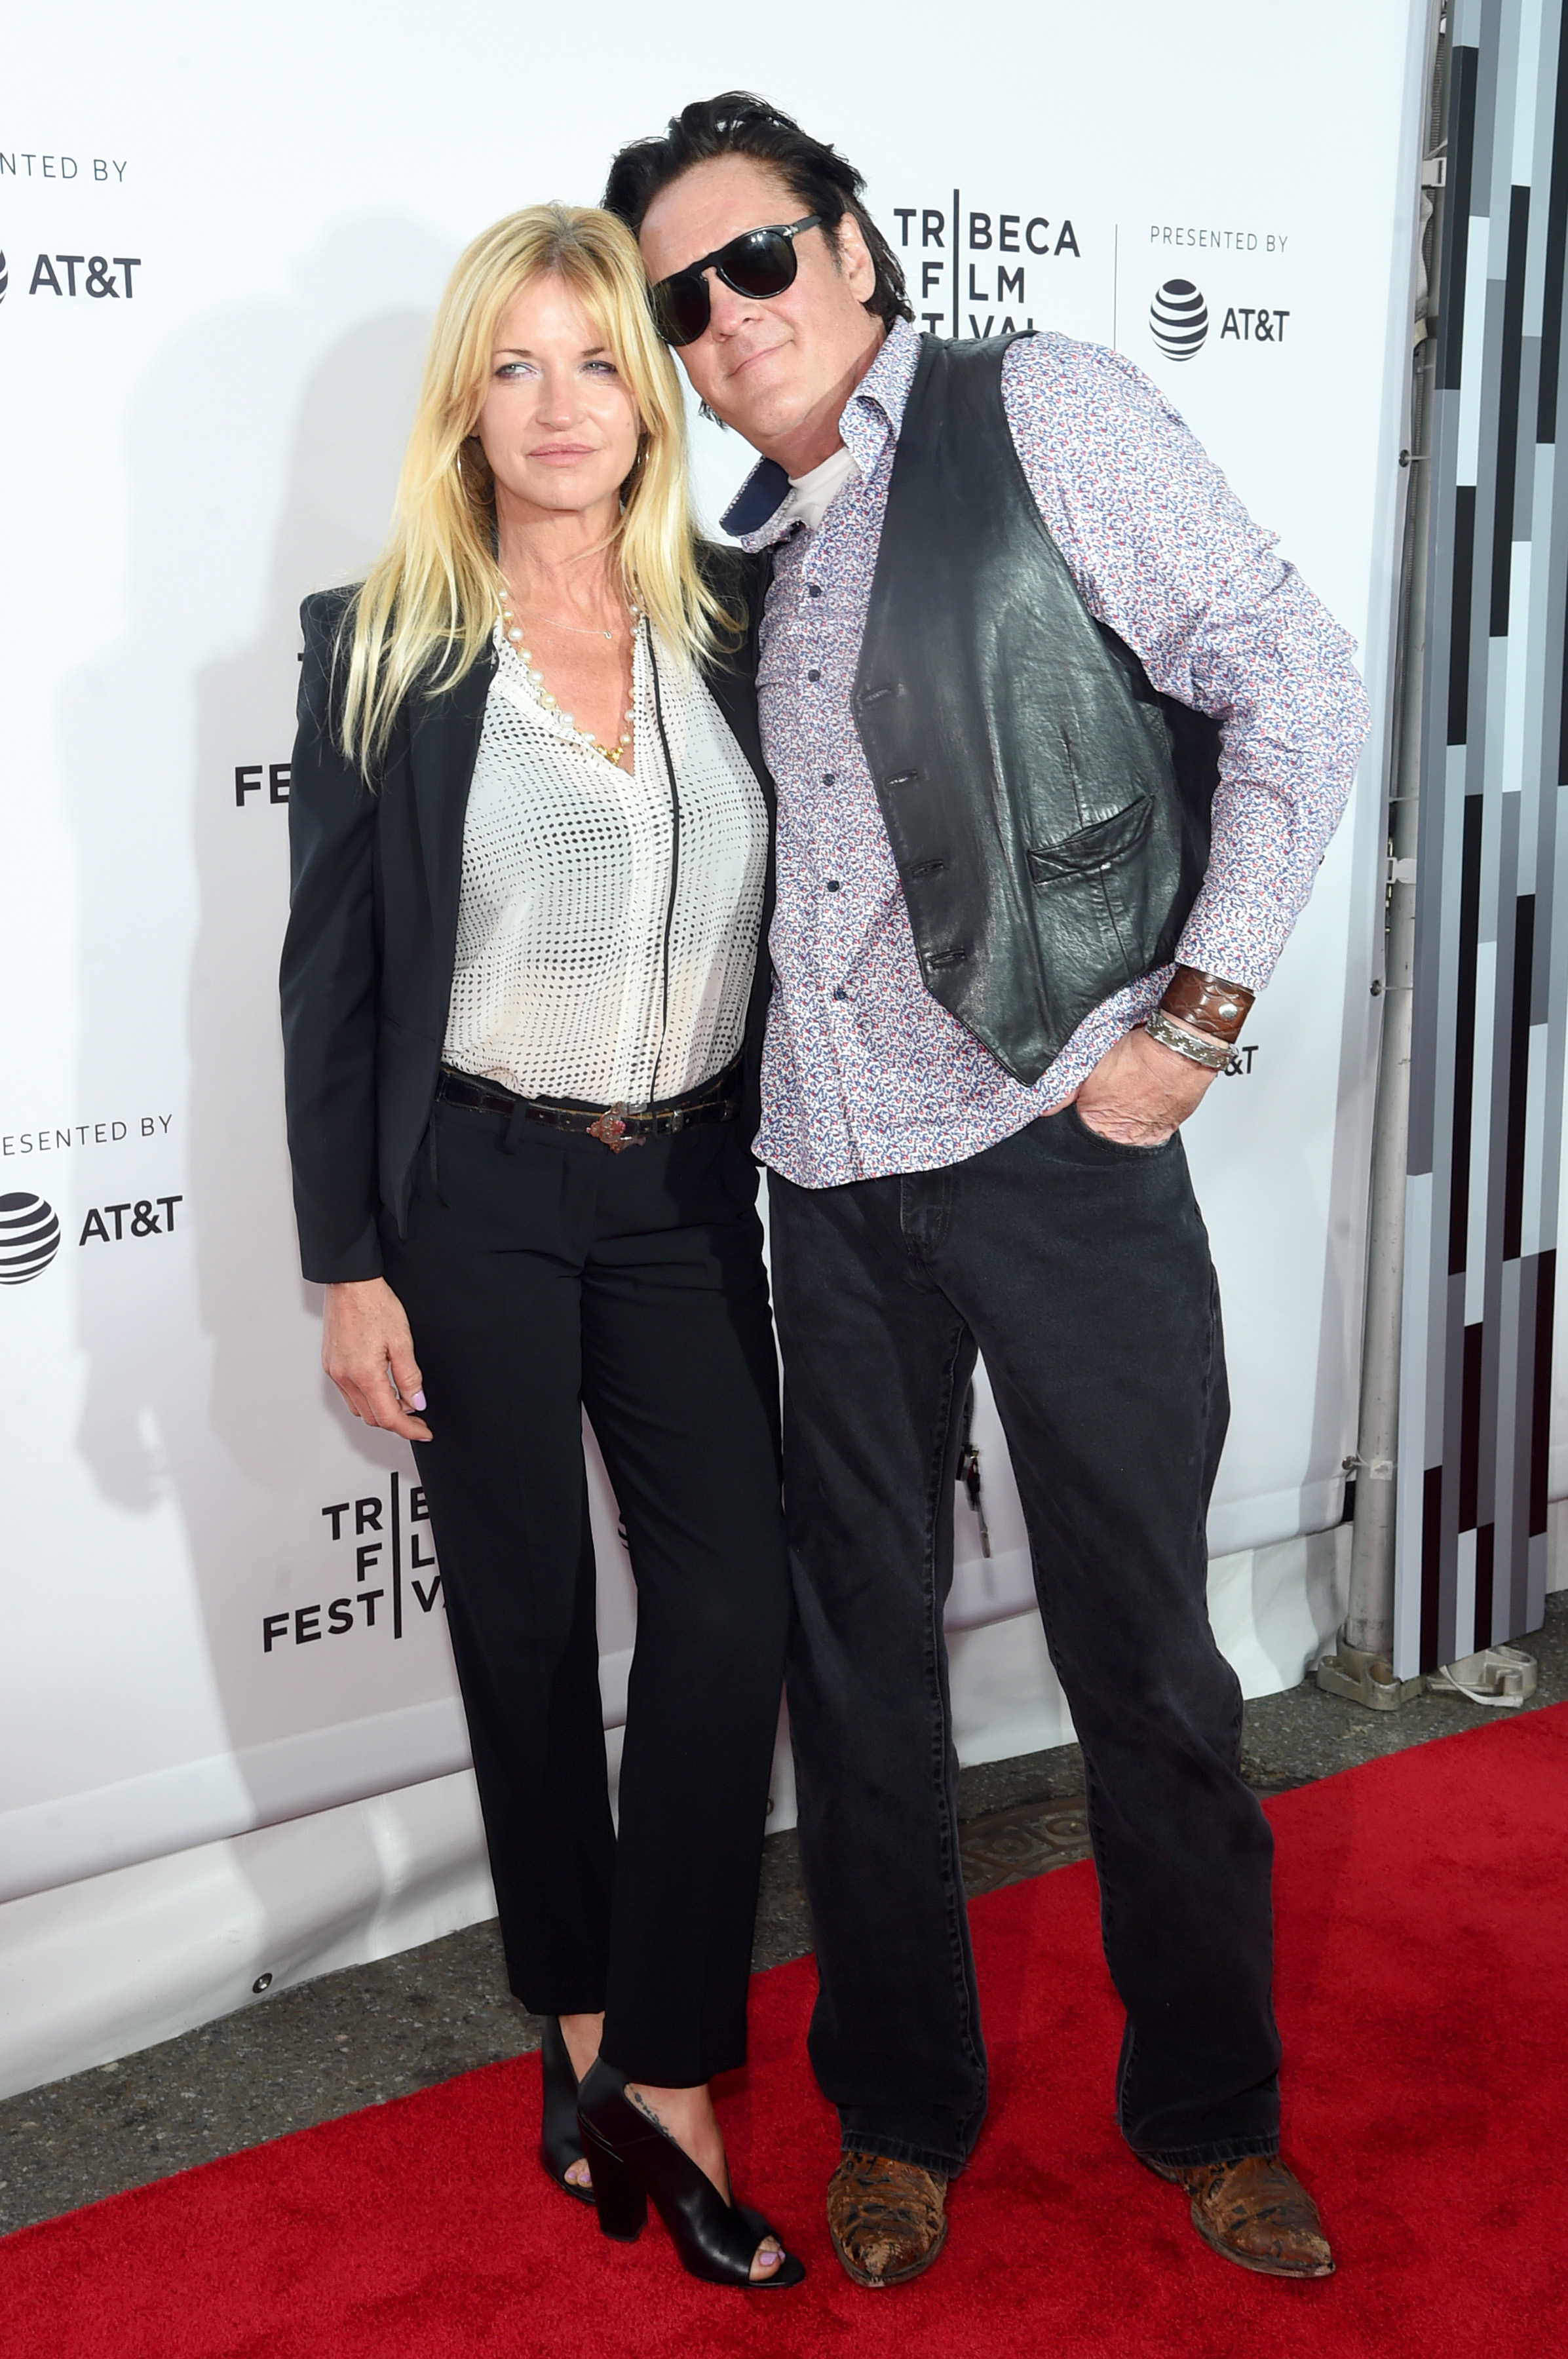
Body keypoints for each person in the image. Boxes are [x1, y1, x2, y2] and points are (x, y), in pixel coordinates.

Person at [605, 96, 1369, 2290]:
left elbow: (1285, 673)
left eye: (753, 259)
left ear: (854, 247)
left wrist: (1192, 1026)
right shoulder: (745, 539)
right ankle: (899, 2114)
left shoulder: (1038, 404)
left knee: (1142, 1661)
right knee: (858, 1679)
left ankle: (1210, 2115)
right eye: (678, 299)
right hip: (821, 1183)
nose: (720, 316)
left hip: (1054, 1146)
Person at [278, 201, 803, 2292]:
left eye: (599, 360)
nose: (561, 405)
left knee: (727, 1614)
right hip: (475, 1200)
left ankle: (663, 2057)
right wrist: (349, 1263)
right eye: (518, 364)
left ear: (655, 392)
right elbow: (330, 985)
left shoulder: (741, 620)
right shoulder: (382, 638)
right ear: (465, 400)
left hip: (685, 1194)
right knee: (515, 1632)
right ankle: (592, 2033)